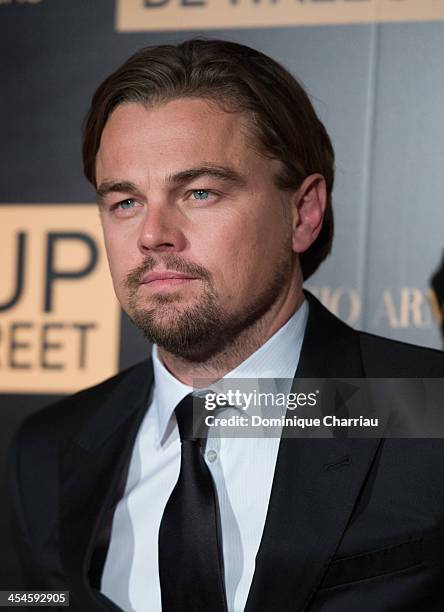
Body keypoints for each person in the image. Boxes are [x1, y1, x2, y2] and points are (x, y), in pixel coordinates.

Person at [8, 39, 444, 612]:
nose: (152, 235)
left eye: (200, 191)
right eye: (125, 202)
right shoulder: (47, 450)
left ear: (303, 213)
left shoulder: (428, 412)